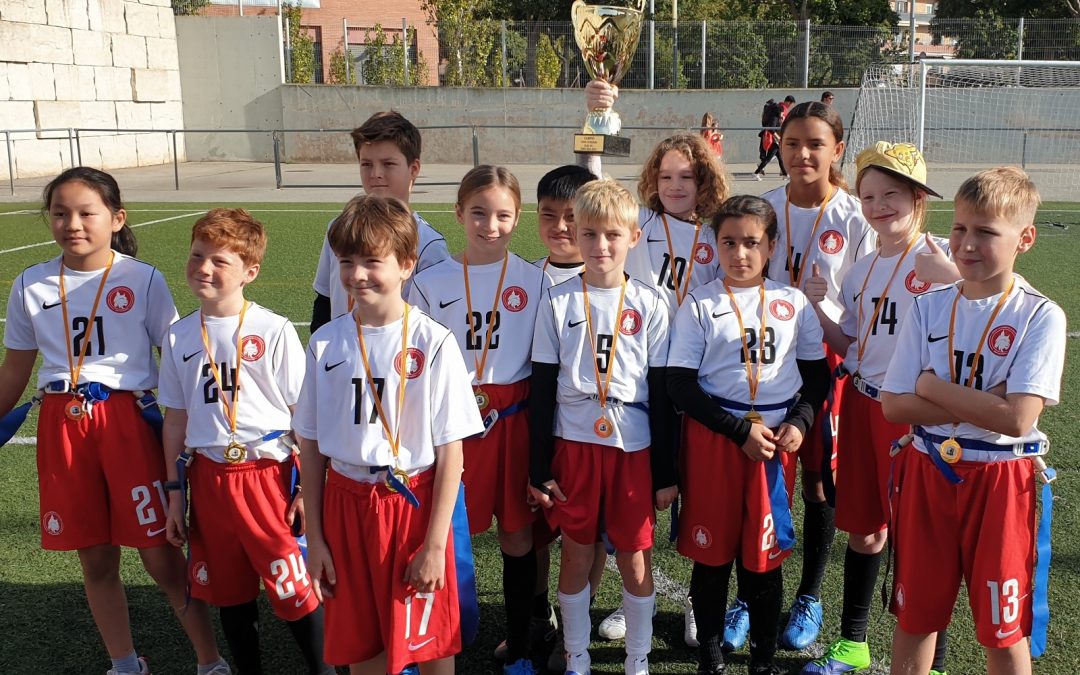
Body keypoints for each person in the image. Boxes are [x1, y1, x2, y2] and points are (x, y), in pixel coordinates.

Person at [0, 167, 228, 675]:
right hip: (62, 424)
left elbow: (174, 356)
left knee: (159, 555)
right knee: (95, 557)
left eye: (86, 213)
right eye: (60, 213)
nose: (72, 224)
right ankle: (125, 663)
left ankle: (210, 660)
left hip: (126, 421)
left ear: (116, 218)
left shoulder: (140, 278)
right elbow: (16, 368)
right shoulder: (31, 283)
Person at [881, 167, 1065, 675]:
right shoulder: (927, 307)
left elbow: (1018, 418)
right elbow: (894, 405)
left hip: (1004, 481)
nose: (966, 243)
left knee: (1004, 632)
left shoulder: (1040, 315)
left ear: (1024, 238)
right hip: (928, 467)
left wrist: (932, 386)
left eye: (986, 231)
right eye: (959, 228)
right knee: (915, 618)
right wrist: (985, 401)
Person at [296, 195, 484, 675]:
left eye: (372, 262)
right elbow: (312, 450)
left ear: (406, 264)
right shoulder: (325, 343)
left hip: (411, 505)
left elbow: (452, 455)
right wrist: (315, 540)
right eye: (347, 262)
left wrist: (436, 545)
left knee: (431, 644)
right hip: (344, 504)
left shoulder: (433, 342)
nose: (357, 275)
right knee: (365, 648)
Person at [721, 101, 875, 655]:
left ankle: (809, 595)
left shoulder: (856, 218)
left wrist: (824, 309)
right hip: (758, 368)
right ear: (777, 148)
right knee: (758, 479)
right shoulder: (761, 208)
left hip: (824, 370)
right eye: (791, 144)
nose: (802, 154)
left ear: (837, 150)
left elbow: (866, 309)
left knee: (817, 484)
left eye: (815, 144)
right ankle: (747, 596)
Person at [585, 80, 730, 646]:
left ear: (705, 180)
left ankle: (698, 603)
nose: (675, 185)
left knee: (696, 491)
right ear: (652, 180)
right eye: (666, 175)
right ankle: (629, 596)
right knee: (641, 489)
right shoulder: (637, 226)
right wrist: (597, 120)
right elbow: (590, 188)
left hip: (700, 377)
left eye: (687, 176)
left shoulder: (721, 234)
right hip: (640, 372)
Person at [800, 143, 954, 675]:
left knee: (921, 538)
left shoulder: (937, 261)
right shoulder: (861, 268)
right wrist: (818, 303)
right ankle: (854, 642)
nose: (878, 205)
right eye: (868, 195)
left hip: (914, 417)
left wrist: (954, 279)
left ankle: (934, 660)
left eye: (891, 194)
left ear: (918, 197)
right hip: (864, 406)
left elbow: (972, 324)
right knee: (865, 530)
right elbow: (850, 344)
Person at [158, 208, 333, 675]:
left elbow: (305, 416)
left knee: (294, 589)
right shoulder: (178, 336)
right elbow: (175, 420)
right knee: (230, 593)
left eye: (220, 261)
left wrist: (303, 491)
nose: (204, 268)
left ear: (250, 272)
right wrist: (175, 496)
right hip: (209, 479)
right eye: (197, 256)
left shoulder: (272, 330)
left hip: (267, 477)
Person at [668, 194, 830, 675]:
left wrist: (799, 421)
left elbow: (817, 376)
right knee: (712, 555)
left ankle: (763, 658)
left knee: (765, 558)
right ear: (715, 245)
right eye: (729, 242)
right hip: (716, 440)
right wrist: (737, 431)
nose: (740, 253)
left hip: (775, 444)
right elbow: (679, 384)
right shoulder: (700, 302)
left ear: (772, 246)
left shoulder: (792, 302)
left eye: (752, 243)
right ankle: (711, 655)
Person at [529, 179, 676, 675]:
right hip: (574, 445)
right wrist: (538, 465)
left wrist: (665, 471)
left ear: (633, 238)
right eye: (589, 234)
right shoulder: (556, 302)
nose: (600, 246)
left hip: (633, 446)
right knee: (575, 556)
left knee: (636, 561)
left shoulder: (652, 304)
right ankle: (576, 658)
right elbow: (543, 391)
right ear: (576, 233)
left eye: (612, 235)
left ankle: (638, 660)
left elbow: (662, 395)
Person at [408, 166, 550, 675]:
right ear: (458, 214)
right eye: (478, 213)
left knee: (517, 537)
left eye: (503, 215)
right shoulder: (428, 283)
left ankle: (518, 645)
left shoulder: (535, 281)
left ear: (518, 218)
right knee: (439, 533)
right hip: (450, 425)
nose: (490, 225)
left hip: (512, 423)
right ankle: (430, 640)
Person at [310, 111, 450, 331]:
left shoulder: (428, 244)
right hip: (342, 353)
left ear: (413, 169)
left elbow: (439, 318)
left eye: (388, 164)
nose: (375, 173)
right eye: (366, 164)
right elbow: (324, 301)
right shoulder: (339, 228)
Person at [753, 99, 785, 181]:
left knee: (780, 158)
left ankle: (785, 175)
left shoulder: (777, 117)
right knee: (767, 159)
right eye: (782, 112)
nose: (783, 114)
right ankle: (756, 173)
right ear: (780, 111)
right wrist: (778, 137)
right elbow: (771, 129)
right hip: (774, 141)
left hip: (776, 142)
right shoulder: (775, 118)